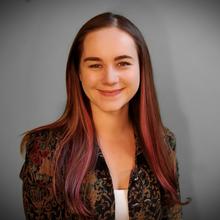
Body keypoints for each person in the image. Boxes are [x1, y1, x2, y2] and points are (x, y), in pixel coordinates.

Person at [19, 12, 189, 220]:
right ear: (78, 73)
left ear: (141, 69)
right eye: (95, 65)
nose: (109, 78)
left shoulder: (164, 142)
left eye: (123, 63)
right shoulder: (44, 150)